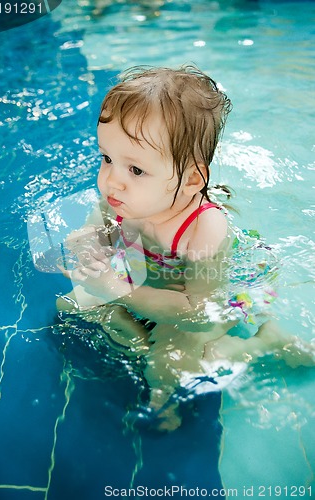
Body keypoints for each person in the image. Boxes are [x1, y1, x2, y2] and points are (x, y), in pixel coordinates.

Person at [56, 65, 314, 431]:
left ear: (192, 179)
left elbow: (200, 312)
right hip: (151, 285)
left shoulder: (203, 231)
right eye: (107, 158)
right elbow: (92, 232)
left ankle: (261, 343)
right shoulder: (119, 199)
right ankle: (148, 344)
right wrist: (88, 245)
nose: (112, 180)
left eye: (136, 170)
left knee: (169, 363)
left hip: (217, 294)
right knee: (69, 307)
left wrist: (117, 289)